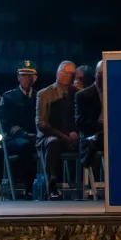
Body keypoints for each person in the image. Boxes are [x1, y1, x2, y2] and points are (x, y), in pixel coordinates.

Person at [36, 60, 78, 200]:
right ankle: (52, 185)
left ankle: (89, 186)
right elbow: (41, 124)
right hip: (50, 135)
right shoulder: (44, 94)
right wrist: (63, 136)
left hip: (71, 135)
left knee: (90, 142)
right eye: (63, 72)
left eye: (70, 73)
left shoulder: (77, 94)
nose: (66, 76)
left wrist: (76, 132)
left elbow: (79, 118)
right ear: (57, 73)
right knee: (53, 142)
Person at [0, 60, 39, 195]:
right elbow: (5, 122)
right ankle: (29, 189)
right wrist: (25, 134)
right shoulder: (9, 97)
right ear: (18, 77)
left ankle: (50, 188)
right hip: (15, 138)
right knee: (25, 146)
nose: (25, 79)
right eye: (22, 75)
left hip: (37, 137)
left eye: (29, 76)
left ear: (35, 78)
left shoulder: (40, 96)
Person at [74, 59, 105, 172]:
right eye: (101, 73)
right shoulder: (83, 95)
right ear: (96, 73)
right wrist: (103, 127)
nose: (104, 76)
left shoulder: (115, 93)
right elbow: (80, 123)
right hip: (92, 137)